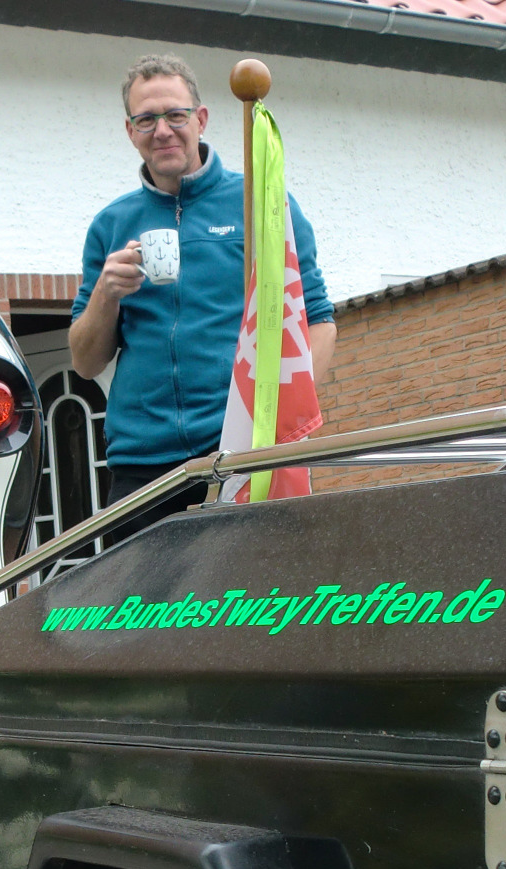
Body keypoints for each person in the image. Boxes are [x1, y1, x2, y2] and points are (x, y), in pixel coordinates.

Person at [70, 53, 335, 537]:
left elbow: (316, 320)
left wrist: (272, 426)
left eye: (176, 115)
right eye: (146, 119)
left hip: (237, 452)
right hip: (141, 466)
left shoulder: (260, 202)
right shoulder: (110, 225)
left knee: (253, 587)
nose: (162, 131)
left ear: (202, 119)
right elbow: (85, 363)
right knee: (142, 593)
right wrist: (106, 295)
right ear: (130, 131)